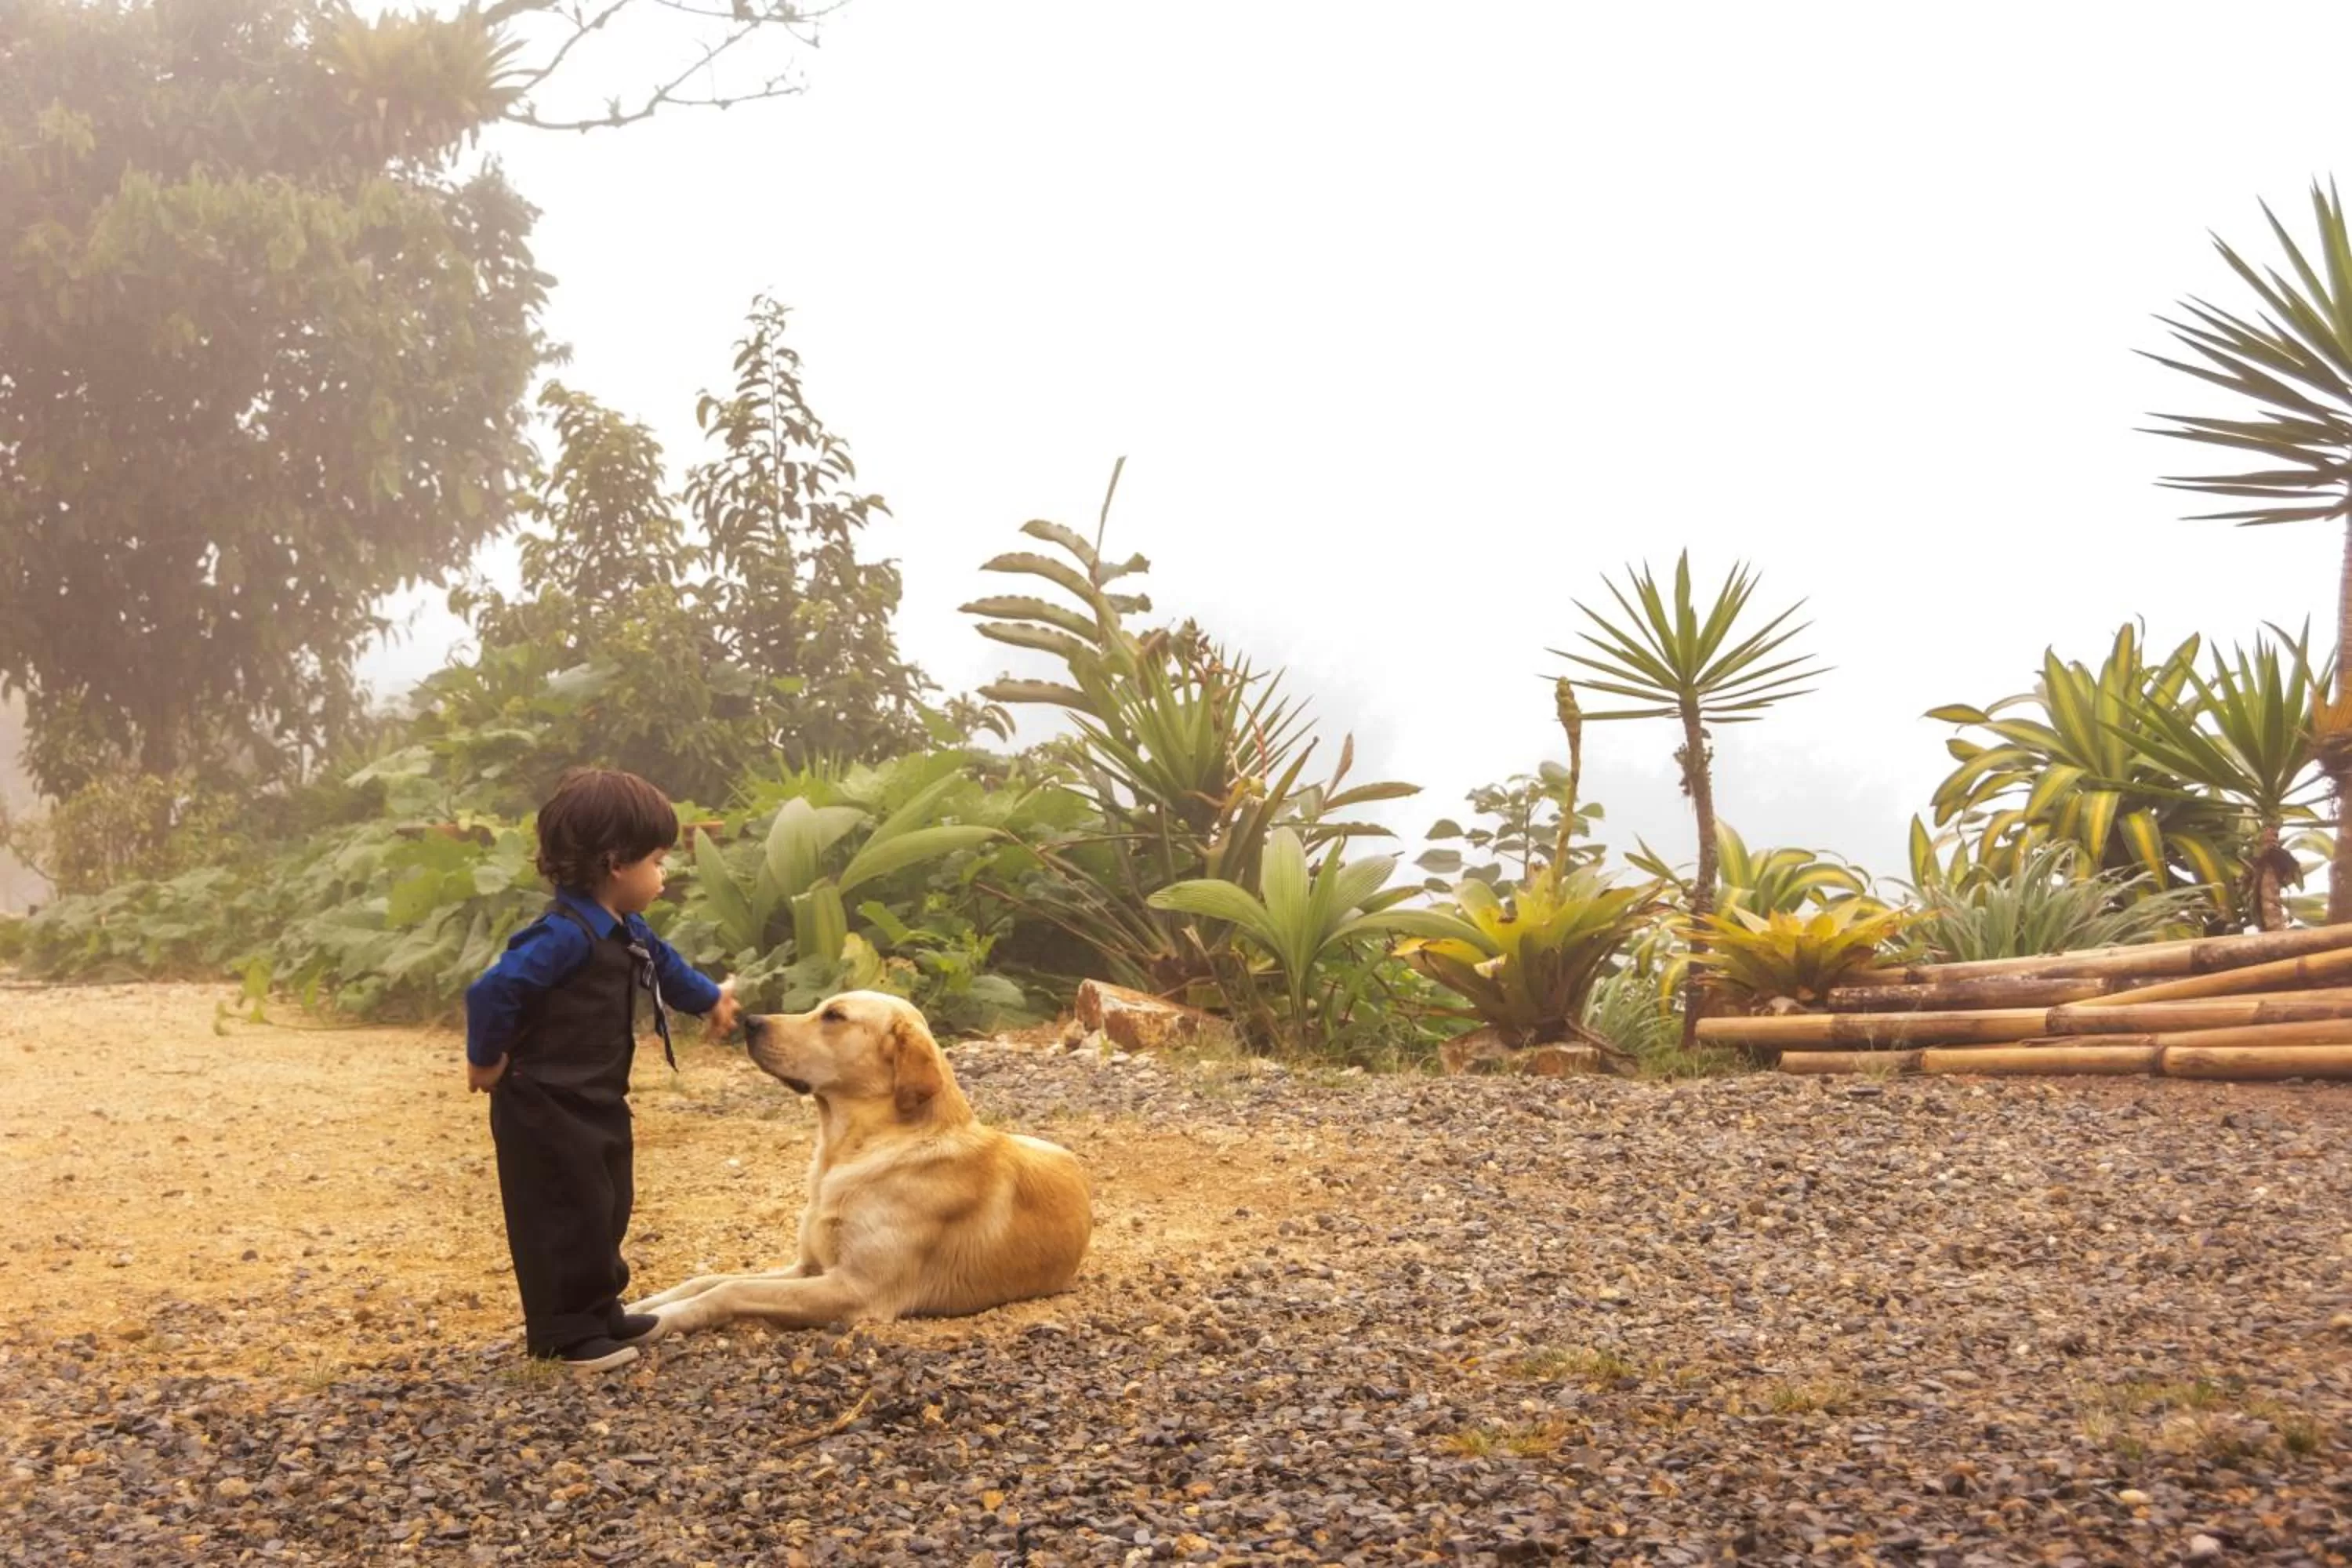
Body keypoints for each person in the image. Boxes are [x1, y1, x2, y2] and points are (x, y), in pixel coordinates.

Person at [464, 768, 740, 1371]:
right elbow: (492, 992)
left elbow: (667, 968)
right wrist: (487, 1058)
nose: (663, 876)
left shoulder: (625, 929)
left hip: (594, 1098)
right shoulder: (560, 937)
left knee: (607, 1201)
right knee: (563, 1210)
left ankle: (599, 1311)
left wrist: (711, 999)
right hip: (542, 1104)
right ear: (617, 862)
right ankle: (562, 1335)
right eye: (658, 861)